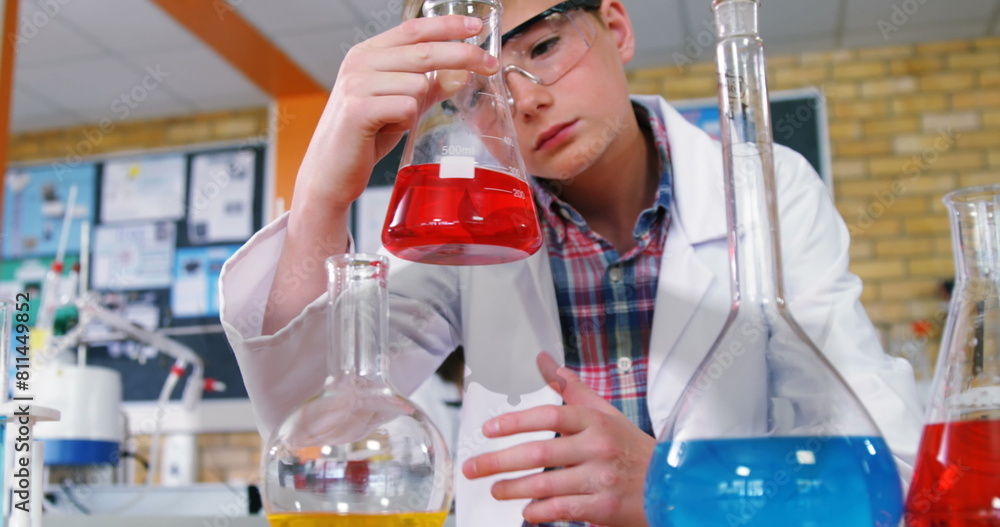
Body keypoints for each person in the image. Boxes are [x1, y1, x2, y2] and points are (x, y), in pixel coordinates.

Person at [219, 0, 925, 525]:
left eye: (547, 46)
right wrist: (321, 195)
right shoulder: (466, 227)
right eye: (480, 91)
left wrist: (672, 487)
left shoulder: (769, 190)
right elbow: (315, 428)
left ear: (615, 26)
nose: (525, 98)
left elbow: (891, 470)